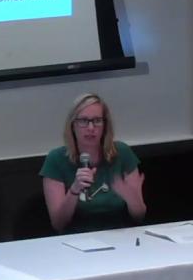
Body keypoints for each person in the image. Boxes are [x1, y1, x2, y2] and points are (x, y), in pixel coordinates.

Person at [41, 93, 146, 233]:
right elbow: (58, 224)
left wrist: (132, 198)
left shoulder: (122, 153)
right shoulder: (56, 159)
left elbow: (139, 217)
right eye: (83, 121)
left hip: (121, 237)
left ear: (105, 125)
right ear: (73, 125)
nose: (91, 128)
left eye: (97, 120)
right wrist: (74, 190)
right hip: (76, 241)